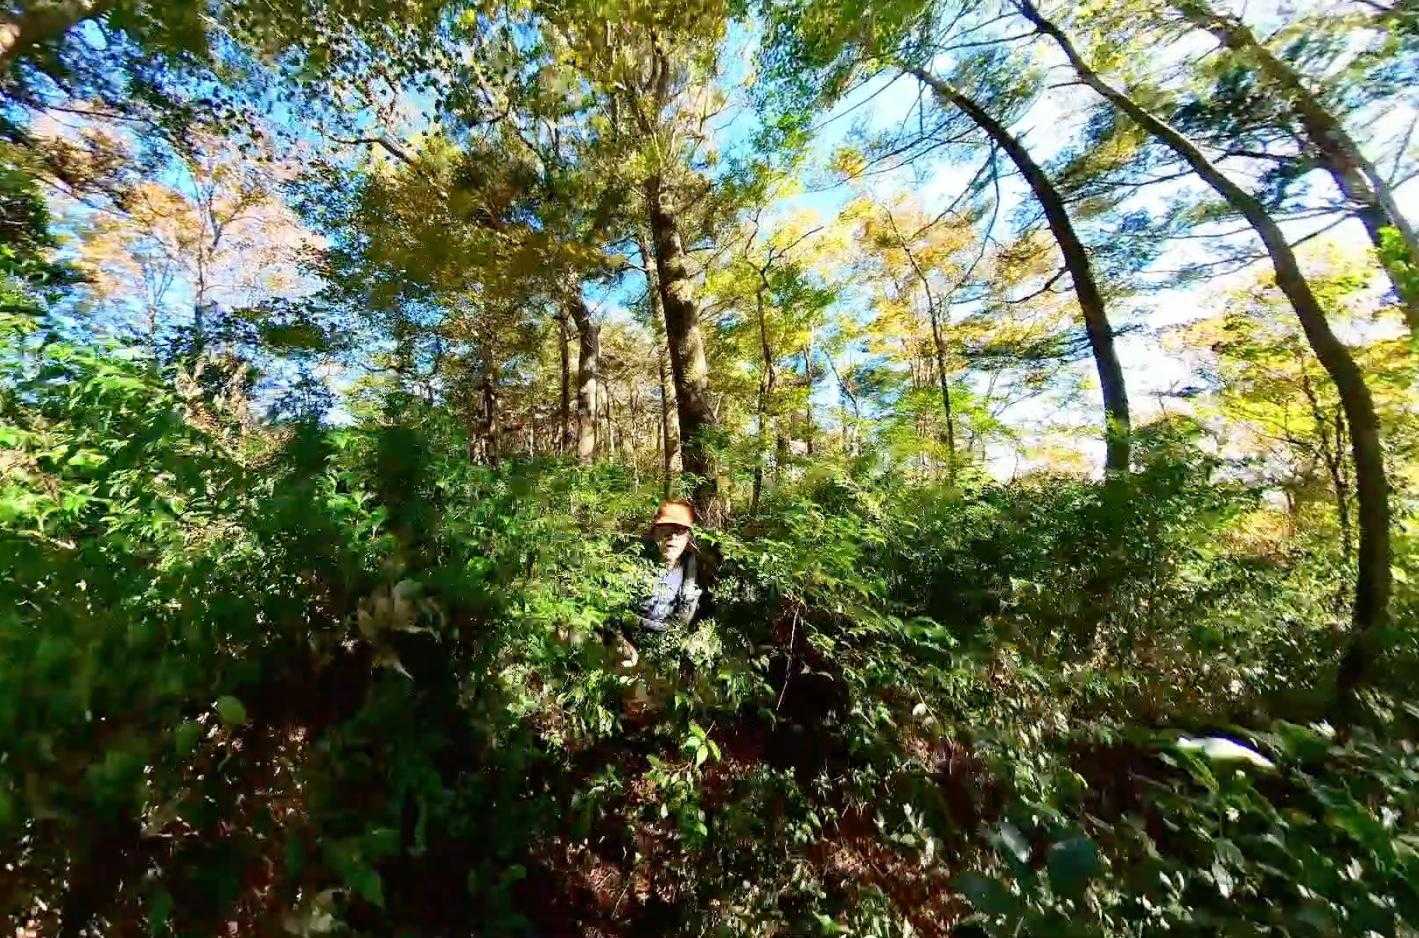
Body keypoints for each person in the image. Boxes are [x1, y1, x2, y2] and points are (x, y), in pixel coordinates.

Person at [635, 499, 703, 633]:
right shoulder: (636, 559)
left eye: (680, 531)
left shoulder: (690, 566)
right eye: (666, 529)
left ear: (688, 538)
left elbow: (682, 621)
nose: (672, 536)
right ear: (654, 533)